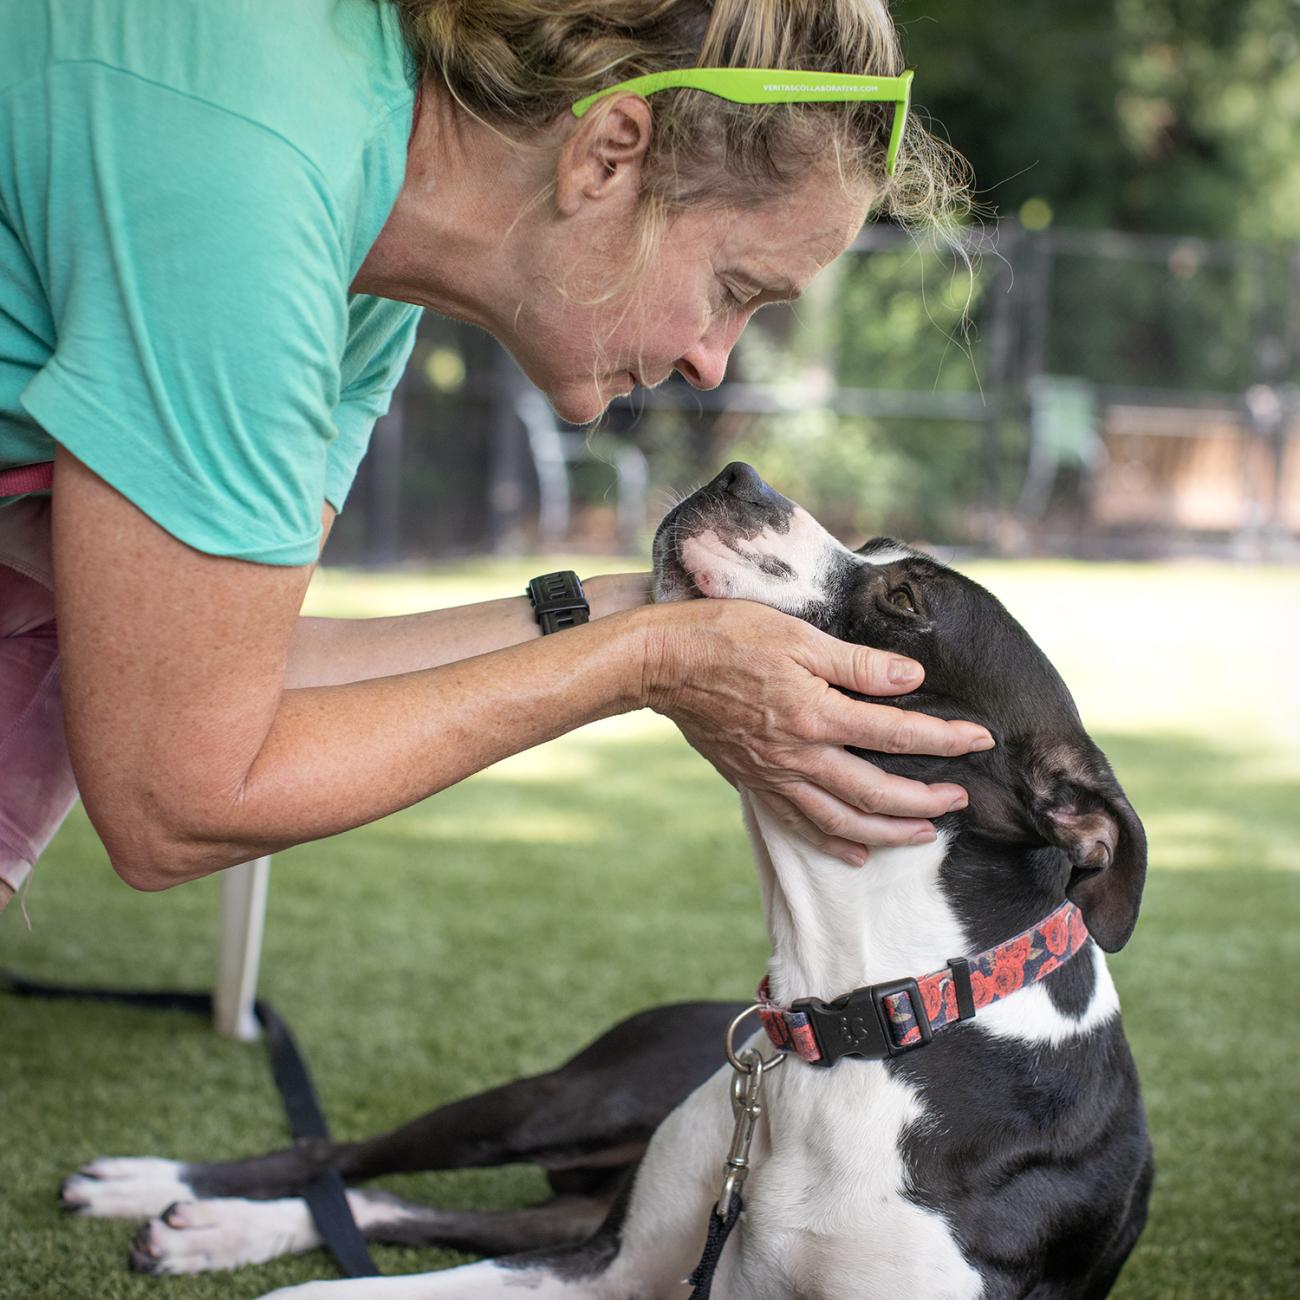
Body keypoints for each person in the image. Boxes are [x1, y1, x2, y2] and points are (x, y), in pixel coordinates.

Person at [0, 0, 993, 917]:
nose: (709, 359)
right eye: (733, 287)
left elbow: (218, 670)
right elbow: (176, 797)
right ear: (606, 155)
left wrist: (629, 610)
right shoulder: (256, 191)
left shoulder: (371, 270)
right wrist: (644, 663)